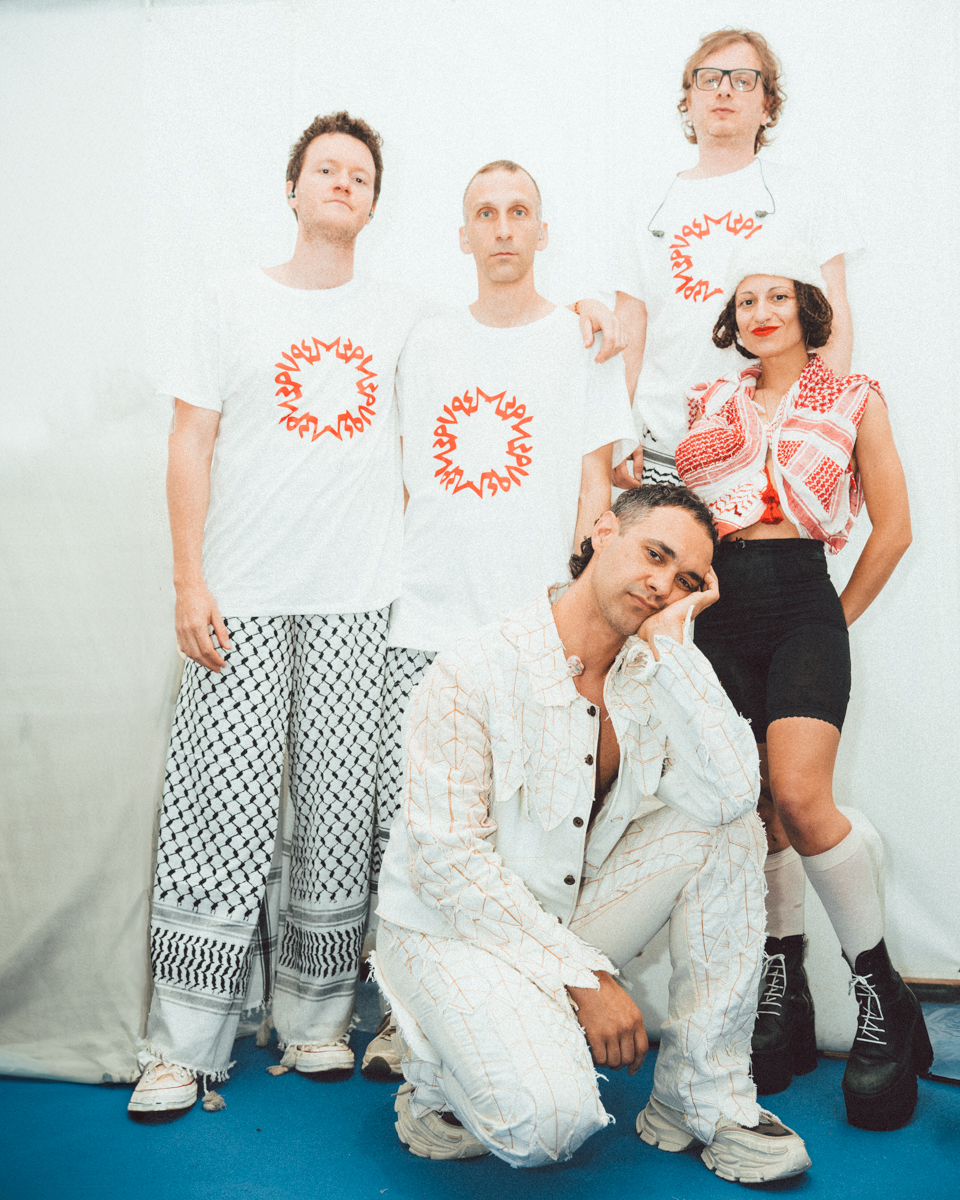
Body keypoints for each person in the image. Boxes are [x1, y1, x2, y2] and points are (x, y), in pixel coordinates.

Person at [130, 114, 625, 1118]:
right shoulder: (230, 300)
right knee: (220, 809)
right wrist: (188, 580)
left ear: (375, 202)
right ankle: (183, 1047)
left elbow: (521, 337)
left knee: (342, 813)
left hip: (363, 601)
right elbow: (189, 440)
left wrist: (595, 310)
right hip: (242, 594)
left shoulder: (406, 316)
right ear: (294, 187)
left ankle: (316, 1022)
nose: (343, 183)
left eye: (360, 174)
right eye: (327, 169)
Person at [372, 485, 812, 1183]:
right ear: (603, 532)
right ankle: (435, 1082)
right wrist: (584, 979)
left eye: (687, 580)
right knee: (547, 1127)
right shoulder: (474, 668)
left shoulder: (651, 672)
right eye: (655, 554)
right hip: (449, 931)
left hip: (563, 915)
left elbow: (732, 795)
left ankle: (701, 1096)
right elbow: (448, 866)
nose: (663, 584)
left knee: (727, 829)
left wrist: (673, 646)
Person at [359, 159, 637, 1081]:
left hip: (532, 626)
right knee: (423, 831)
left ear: (543, 231)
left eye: (520, 211)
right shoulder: (424, 336)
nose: (505, 227)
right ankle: (404, 1013)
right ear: (464, 233)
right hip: (429, 617)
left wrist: (579, 615)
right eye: (487, 213)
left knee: (525, 833)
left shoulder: (581, 342)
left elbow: (597, 485)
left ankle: (524, 998)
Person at [674, 241, 931, 1131]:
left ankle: (882, 997)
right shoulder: (708, 402)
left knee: (800, 795)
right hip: (720, 611)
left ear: (809, 309)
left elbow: (893, 530)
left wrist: (833, 621)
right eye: (745, 301)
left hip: (802, 601)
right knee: (751, 808)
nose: (760, 313)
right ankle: (782, 988)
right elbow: (681, 513)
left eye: (777, 296)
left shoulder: (853, 397)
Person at [604, 28, 859, 490]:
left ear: (767, 106)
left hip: (773, 446)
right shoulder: (646, 205)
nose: (723, 89)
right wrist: (616, 431)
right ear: (688, 99)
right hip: (664, 444)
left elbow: (833, 318)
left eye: (743, 80)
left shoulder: (804, 195)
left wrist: (817, 429)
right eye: (709, 78)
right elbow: (630, 328)